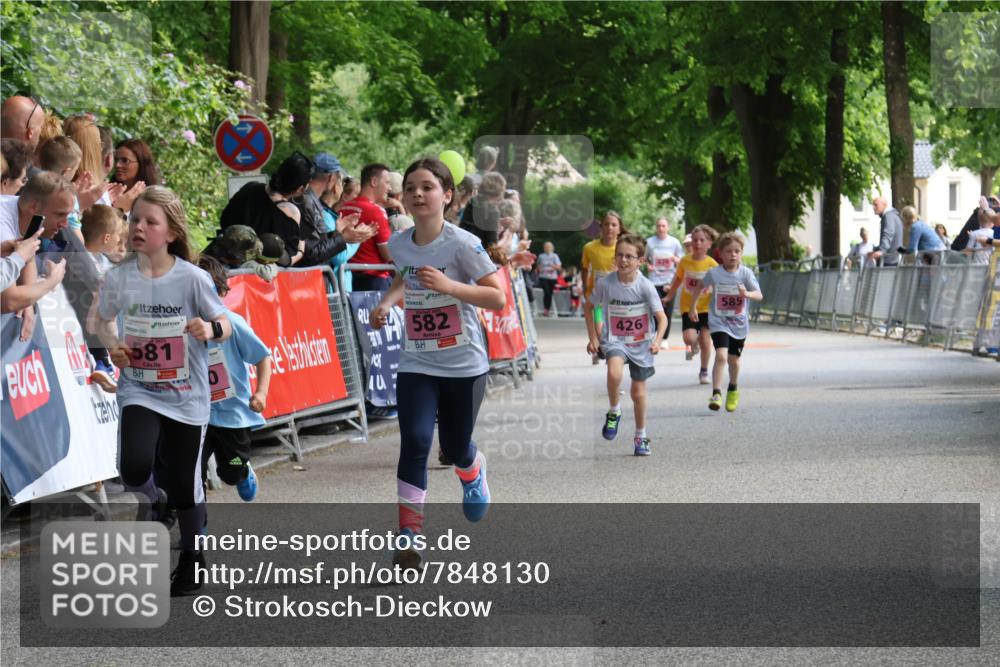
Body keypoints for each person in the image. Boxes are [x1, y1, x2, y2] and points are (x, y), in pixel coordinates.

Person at [95, 186, 232, 597]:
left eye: (150, 222)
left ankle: (192, 558)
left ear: (170, 232)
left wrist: (208, 329)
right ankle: (155, 502)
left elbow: (226, 323)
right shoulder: (118, 277)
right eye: (134, 219)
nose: (138, 227)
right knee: (134, 468)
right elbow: (103, 321)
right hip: (140, 388)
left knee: (187, 483)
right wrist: (113, 346)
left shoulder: (192, 278)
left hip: (187, 396)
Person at [370, 157, 505, 571]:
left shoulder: (464, 244)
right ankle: (409, 536)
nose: (417, 193)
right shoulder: (398, 243)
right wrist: (386, 302)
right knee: (414, 440)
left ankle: (472, 469)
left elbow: (497, 297)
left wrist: (449, 286)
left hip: (464, 363)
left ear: (446, 195)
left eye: (427, 186)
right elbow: (405, 276)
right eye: (410, 187)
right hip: (417, 359)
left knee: (455, 446)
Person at [196, 254, 273, 502]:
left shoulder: (233, 323)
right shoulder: (183, 326)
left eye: (209, 294)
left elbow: (263, 357)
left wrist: (260, 393)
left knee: (231, 468)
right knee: (189, 472)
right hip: (197, 413)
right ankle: (196, 526)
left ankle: (242, 471)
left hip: (233, 414)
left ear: (221, 293)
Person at [585, 233, 666, 456]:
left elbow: (662, 318)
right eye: (619, 255)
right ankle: (614, 411)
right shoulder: (605, 284)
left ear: (640, 260)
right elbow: (588, 307)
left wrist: (657, 341)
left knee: (638, 394)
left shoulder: (646, 287)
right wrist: (593, 337)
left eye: (629, 256)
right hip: (615, 340)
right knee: (614, 373)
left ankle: (641, 436)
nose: (623, 260)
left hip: (641, 344)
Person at [688, 232, 763, 412]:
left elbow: (759, 295)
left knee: (733, 360)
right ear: (720, 254)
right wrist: (693, 307)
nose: (733, 255)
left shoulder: (746, 274)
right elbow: (699, 286)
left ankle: (733, 388)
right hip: (719, 321)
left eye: (737, 251)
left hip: (739, 324)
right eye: (729, 251)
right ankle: (716, 393)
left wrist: (747, 294)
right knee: (721, 355)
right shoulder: (714, 274)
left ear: (741, 253)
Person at [220, 152, 313, 265]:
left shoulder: (249, 188)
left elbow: (224, 220)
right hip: (255, 277)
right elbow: (286, 258)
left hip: (224, 262)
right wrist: (301, 251)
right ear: (301, 189)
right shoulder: (290, 212)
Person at [665, 224, 719, 384]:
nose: (697, 243)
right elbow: (678, 280)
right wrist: (669, 296)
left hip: (706, 306)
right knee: (689, 338)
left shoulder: (712, 264)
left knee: (705, 339)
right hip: (688, 306)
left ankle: (703, 371)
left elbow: (718, 285)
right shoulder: (685, 261)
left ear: (709, 244)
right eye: (695, 240)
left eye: (702, 240)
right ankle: (694, 345)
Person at [80, 204, 122, 391]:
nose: (120, 240)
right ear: (107, 238)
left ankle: (104, 363)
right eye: (118, 236)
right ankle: (103, 363)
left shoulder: (98, 260)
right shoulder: (86, 262)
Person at [339, 163, 393, 291]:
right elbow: (388, 254)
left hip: (348, 278)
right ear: (374, 181)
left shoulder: (343, 207)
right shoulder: (376, 211)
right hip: (374, 280)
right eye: (387, 182)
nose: (390, 188)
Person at [581, 211, 625, 364]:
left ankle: (610, 358)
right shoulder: (590, 248)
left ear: (619, 229)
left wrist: (619, 271)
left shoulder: (624, 248)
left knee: (615, 335)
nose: (610, 228)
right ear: (601, 227)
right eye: (606, 224)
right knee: (600, 331)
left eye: (614, 225)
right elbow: (584, 268)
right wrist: (585, 287)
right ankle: (599, 346)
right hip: (598, 298)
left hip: (619, 300)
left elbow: (637, 265)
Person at [645, 216, 684, 349]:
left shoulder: (674, 242)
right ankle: (655, 335)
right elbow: (644, 259)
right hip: (654, 280)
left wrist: (674, 259)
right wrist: (648, 265)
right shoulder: (650, 242)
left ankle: (664, 339)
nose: (661, 228)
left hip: (669, 281)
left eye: (663, 226)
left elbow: (682, 261)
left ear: (668, 227)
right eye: (658, 226)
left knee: (667, 310)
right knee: (654, 309)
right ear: (656, 228)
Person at [111, 138, 159, 213]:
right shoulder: (108, 192)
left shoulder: (153, 200)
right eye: (116, 160)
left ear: (141, 164)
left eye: (125, 160)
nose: (117, 165)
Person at [460, 171, 505, 247]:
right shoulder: (492, 211)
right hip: (477, 253)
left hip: (462, 245)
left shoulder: (472, 202)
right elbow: (492, 245)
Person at [870, 196, 904, 267]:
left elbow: (888, 234)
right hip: (892, 259)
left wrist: (881, 251)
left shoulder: (889, 217)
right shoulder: (892, 216)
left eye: (876, 205)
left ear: (884, 205)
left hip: (889, 261)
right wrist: (876, 249)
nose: (873, 207)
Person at [536, 241, 562, 316]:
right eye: (546, 247)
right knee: (546, 292)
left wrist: (552, 266)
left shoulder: (555, 256)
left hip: (552, 277)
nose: (547, 248)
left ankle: (549, 309)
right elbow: (538, 266)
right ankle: (546, 310)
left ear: (552, 248)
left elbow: (559, 267)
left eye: (549, 247)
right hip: (543, 277)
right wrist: (539, 269)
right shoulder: (541, 256)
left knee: (550, 294)